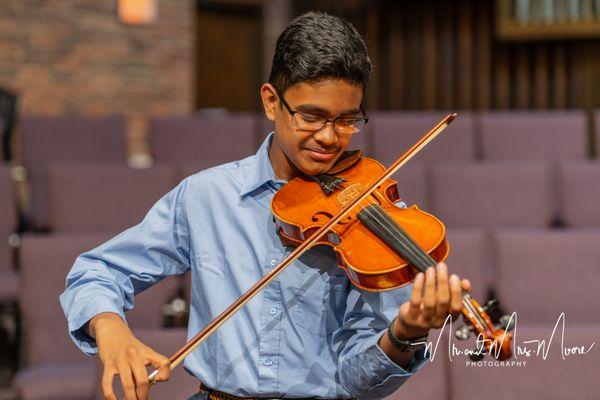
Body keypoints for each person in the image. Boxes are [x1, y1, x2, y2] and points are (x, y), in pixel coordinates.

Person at [60, 11, 470, 400]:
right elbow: (97, 271)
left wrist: (405, 333)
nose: (330, 137)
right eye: (311, 116)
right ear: (272, 101)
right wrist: (111, 329)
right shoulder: (206, 197)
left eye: (347, 119)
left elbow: (357, 382)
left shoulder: (367, 218)